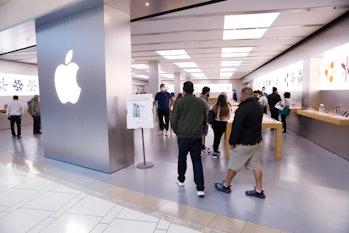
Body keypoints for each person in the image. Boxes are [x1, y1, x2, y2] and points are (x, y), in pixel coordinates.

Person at [214, 87, 265, 199]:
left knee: (233, 165)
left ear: (242, 97)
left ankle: (226, 185)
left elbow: (236, 128)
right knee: (256, 165)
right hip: (256, 142)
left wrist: (231, 141)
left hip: (244, 143)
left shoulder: (242, 109)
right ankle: (259, 190)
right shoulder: (259, 107)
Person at [170, 81, 206, 198]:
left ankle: (181, 180)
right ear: (193, 90)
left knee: (182, 158)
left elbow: (174, 120)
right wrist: (200, 132)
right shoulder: (200, 103)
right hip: (196, 136)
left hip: (183, 137)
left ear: (183, 90)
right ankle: (200, 188)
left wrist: (177, 131)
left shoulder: (179, 102)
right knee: (197, 161)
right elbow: (204, 120)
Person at [211, 94, 231, 159]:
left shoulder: (215, 106)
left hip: (216, 123)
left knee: (217, 136)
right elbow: (229, 117)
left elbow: (212, 115)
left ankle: (215, 151)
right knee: (220, 137)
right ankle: (217, 149)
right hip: (224, 124)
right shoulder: (227, 106)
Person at [199, 86, 211, 154]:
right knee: (203, 133)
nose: (209, 93)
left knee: (203, 133)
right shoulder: (202, 100)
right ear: (207, 92)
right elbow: (206, 109)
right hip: (203, 119)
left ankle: (203, 146)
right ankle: (202, 147)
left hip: (204, 118)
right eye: (209, 92)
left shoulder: (203, 98)